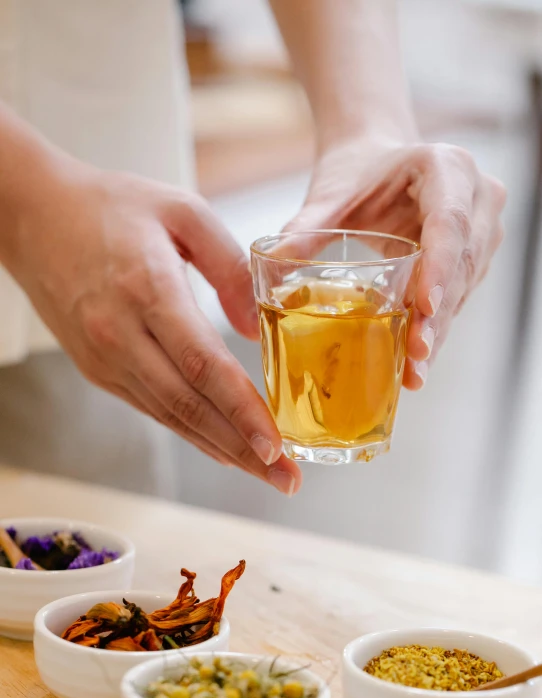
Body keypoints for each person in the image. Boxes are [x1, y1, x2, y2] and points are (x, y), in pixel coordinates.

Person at [0, 0, 505, 498]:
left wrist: (369, 127)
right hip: (85, 254)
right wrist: (29, 207)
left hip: (110, 281)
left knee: (93, 560)